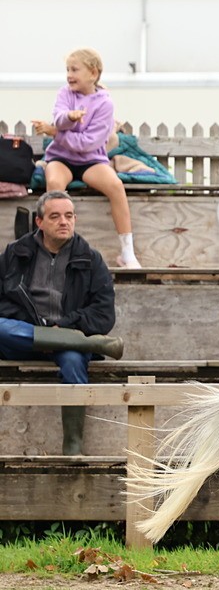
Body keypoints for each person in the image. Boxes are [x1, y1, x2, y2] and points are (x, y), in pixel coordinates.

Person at [0, 191, 123, 455]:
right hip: (23, 338)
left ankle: (73, 446)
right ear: (39, 222)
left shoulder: (90, 259)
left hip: (69, 337)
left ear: (75, 219)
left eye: (69, 216)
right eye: (55, 216)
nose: (63, 222)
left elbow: (103, 314)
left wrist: (64, 325)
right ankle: (70, 342)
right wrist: (36, 326)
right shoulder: (15, 253)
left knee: (73, 361)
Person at [31, 48, 141, 269]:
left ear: (93, 73)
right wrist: (69, 118)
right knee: (54, 184)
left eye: (74, 70)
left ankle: (127, 252)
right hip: (61, 157)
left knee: (116, 186)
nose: (69, 75)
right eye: (67, 70)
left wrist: (55, 133)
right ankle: (50, 249)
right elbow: (58, 118)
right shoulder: (65, 93)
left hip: (91, 160)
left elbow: (87, 144)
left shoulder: (105, 103)